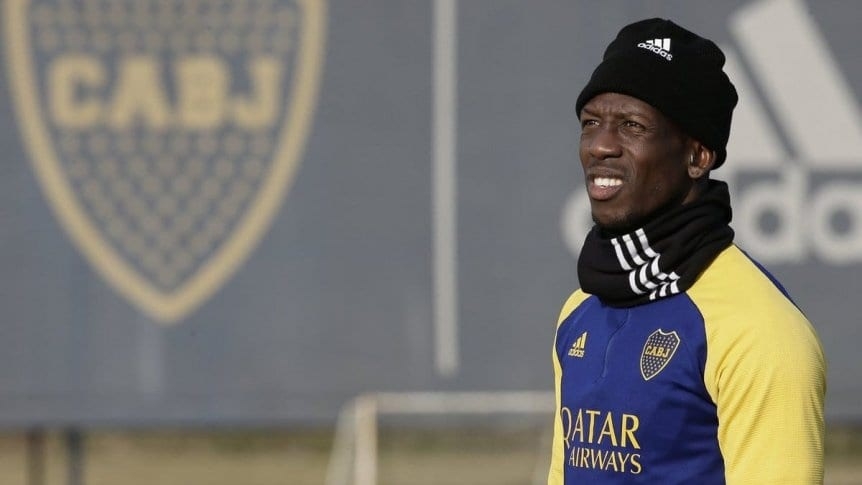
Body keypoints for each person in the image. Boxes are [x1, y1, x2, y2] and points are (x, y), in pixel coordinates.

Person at [548, 18, 826, 484]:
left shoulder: (760, 331)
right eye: (591, 122)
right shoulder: (579, 310)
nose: (600, 145)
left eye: (632, 126)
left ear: (698, 156)